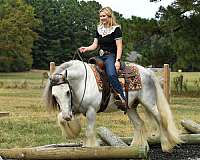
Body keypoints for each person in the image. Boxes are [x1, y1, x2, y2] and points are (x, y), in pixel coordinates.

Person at [79, 7, 128, 111]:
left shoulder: (116, 29)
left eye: (104, 16)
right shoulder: (99, 29)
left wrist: (117, 61)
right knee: (90, 71)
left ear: (109, 16)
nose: (102, 18)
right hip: (100, 56)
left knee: (111, 74)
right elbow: (95, 45)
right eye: (100, 16)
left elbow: (119, 47)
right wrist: (86, 48)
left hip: (111, 56)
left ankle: (122, 98)